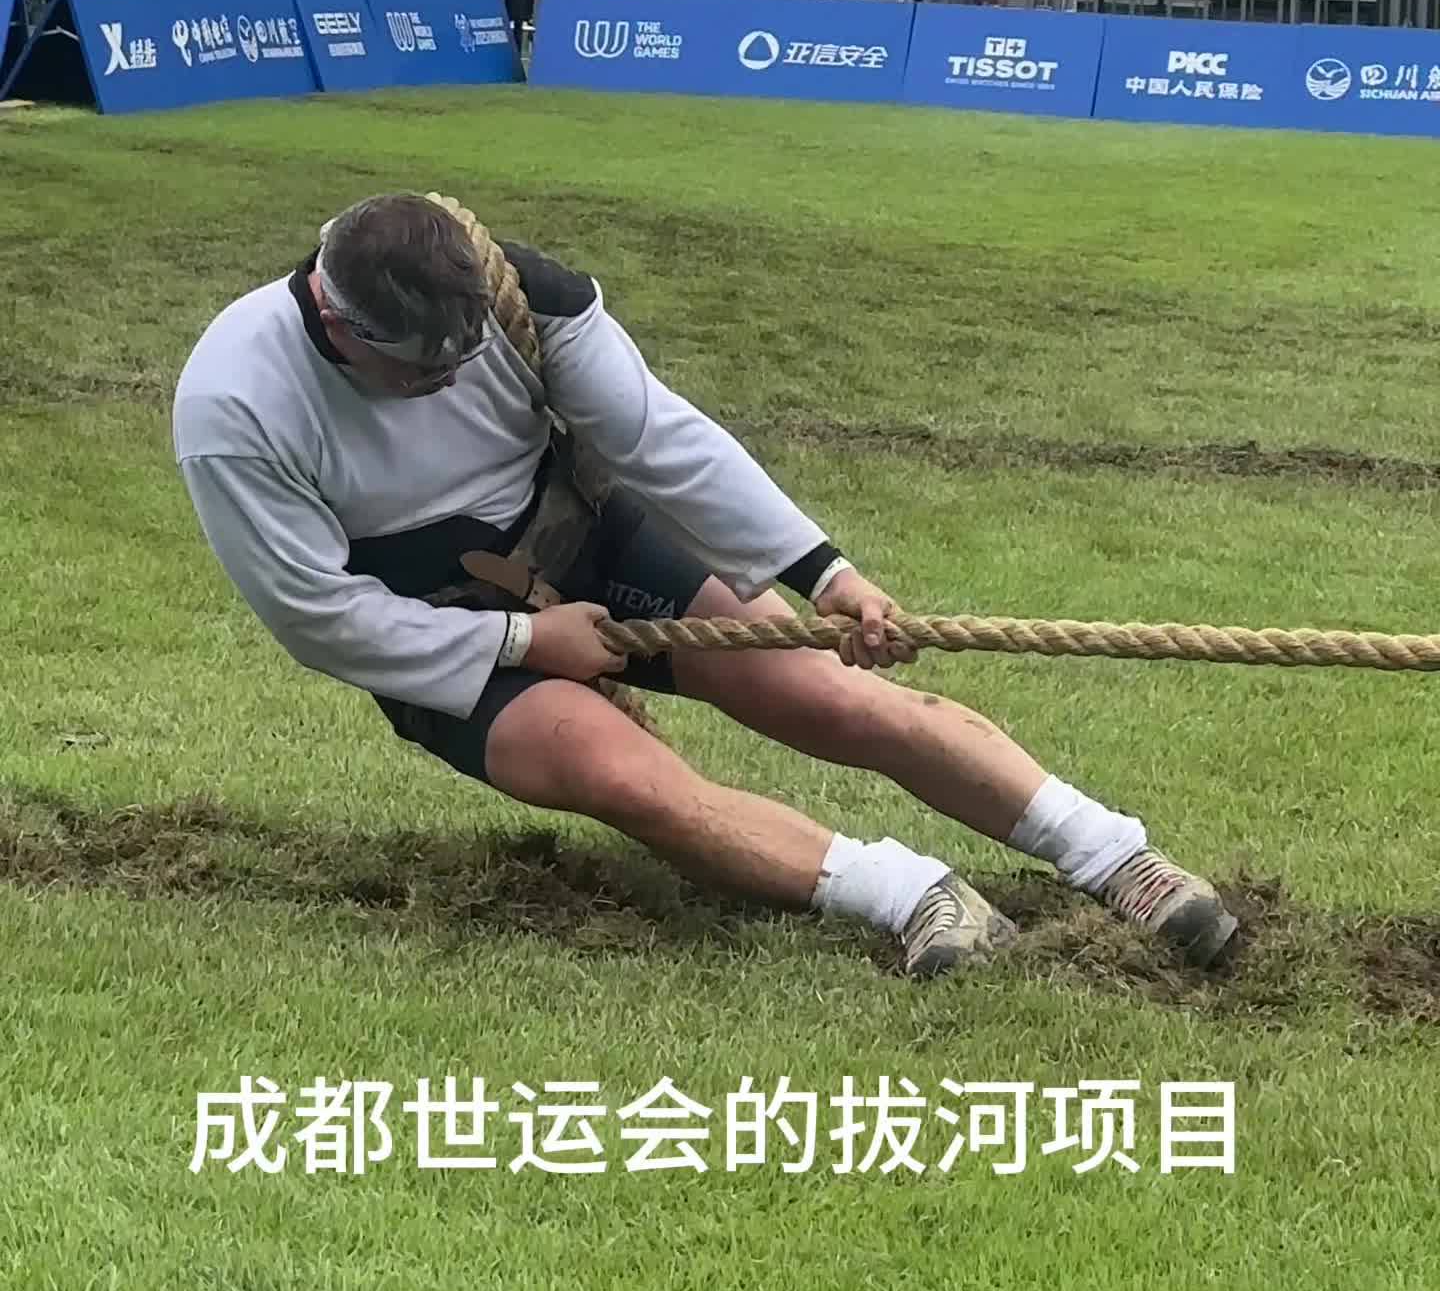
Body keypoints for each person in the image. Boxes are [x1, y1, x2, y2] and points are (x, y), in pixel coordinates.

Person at [173, 194, 1238, 981]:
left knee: (826, 691)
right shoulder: (236, 401)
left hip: (583, 534)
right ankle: (908, 891)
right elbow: (313, 611)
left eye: (462, 365)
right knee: (628, 779)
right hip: (438, 629)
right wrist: (524, 646)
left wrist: (824, 573)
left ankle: (1115, 856)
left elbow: (656, 439)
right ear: (343, 325)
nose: (447, 385)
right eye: (422, 375)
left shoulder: (515, 296)